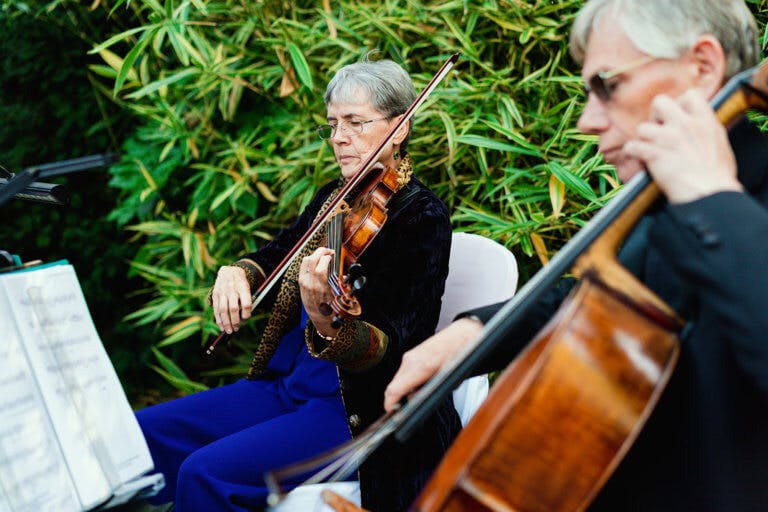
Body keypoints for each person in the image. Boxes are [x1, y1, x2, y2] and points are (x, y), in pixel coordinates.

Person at [384, 0, 768, 510]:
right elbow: (597, 295)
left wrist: (712, 200)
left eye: (607, 86)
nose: (587, 120)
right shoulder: (659, 200)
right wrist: (473, 332)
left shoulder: (710, 198)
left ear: (701, 67)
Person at [137, 57, 461, 512]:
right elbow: (275, 254)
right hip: (288, 388)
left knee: (204, 472)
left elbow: (391, 344)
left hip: (355, 411)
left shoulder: (421, 217)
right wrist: (237, 272)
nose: (339, 138)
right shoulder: (336, 196)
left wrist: (325, 318)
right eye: (332, 124)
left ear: (399, 128)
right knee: (140, 436)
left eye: (355, 122)